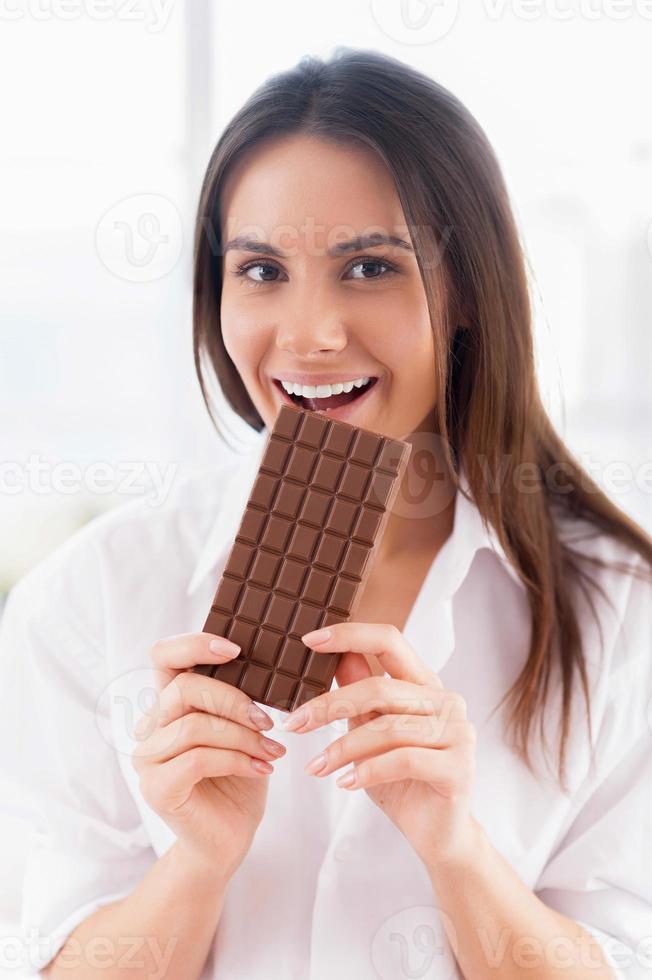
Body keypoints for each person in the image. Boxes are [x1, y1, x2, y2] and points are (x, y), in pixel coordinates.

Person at [2, 48, 651, 980]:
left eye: (370, 267)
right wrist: (197, 861)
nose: (308, 333)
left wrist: (458, 850)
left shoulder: (624, 619)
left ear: (465, 290)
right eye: (261, 270)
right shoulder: (88, 600)